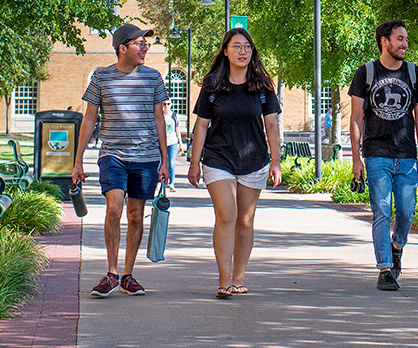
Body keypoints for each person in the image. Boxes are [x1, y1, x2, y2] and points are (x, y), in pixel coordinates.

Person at [72, 23, 169, 298]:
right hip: (112, 154)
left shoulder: (153, 77)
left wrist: (164, 160)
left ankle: (128, 275)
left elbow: (159, 119)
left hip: (146, 157)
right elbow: (89, 118)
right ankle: (111, 273)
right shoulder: (102, 78)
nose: (145, 48)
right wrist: (78, 161)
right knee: (114, 209)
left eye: (145, 44)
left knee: (136, 214)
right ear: (122, 48)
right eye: (140, 43)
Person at [188, 28, 281, 299]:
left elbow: (272, 125)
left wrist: (276, 162)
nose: (242, 51)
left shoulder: (262, 86)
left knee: (245, 219)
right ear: (225, 51)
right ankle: (224, 279)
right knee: (226, 214)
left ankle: (239, 276)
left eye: (247, 47)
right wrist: (194, 163)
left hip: (254, 159)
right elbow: (202, 126)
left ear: (252, 53)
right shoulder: (213, 85)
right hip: (218, 158)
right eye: (237, 46)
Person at [348, 20, 418, 292]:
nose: (405, 44)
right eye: (400, 39)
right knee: (381, 210)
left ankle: (397, 247)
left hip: (406, 154)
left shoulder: (415, 74)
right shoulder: (366, 73)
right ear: (385, 41)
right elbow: (356, 117)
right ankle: (384, 268)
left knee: (406, 212)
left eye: (406, 39)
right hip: (376, 153)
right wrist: (356, 158)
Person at [163, 99, 184, 191]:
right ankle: (160, 183)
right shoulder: (159, 116)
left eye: (168, 104)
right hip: (162, 143)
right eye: (164, 104)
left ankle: (171, 183)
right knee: (160, 163)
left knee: (171, 163)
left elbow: (177, 130)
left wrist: (180, 143)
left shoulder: (174, 116)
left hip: (172, 142)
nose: (166, 106)